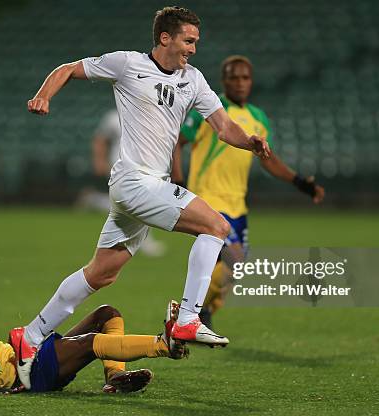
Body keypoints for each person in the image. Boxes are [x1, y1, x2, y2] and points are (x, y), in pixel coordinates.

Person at [21, 6, 271, 389]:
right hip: (134, 182)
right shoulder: (127, 64)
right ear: (165, 38)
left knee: (102, 272)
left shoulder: (194, 79)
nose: (193, 49)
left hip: (142, 188)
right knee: (217, 226)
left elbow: (223, 127)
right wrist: (43, 96)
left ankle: (31, 335)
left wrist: (249, 142)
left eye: (196, 42)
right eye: (188, 41)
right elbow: (69, 68)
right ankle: (187, 318)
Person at [172, 55, 325, 328]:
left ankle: (196, 313)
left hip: (237, 206)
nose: (240, 83)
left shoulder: (258, 118)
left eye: (245, 78)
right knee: (235, 261)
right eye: (234, 77)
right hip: (208, 200)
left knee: (234, 272)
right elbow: (177, 142)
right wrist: (179, 182)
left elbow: (269, 160)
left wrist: (300, 182)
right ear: (224, 81)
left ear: (251, 81)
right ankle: (192, 315)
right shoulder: (210, 110)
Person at [0, 277, 187, 394]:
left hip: (29, 355)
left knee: (106, 314)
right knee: (90, 343)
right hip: (28, 373)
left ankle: (114, 378)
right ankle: (163, 345)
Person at [78, 108, 167, 257]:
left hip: (143, 164)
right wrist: (99, 160)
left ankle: (94, 200)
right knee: (140, 202)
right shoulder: (114, 116)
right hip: (120, 163)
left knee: (128, 204)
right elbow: (100, 139)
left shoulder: (148, 113)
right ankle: (144, 242)